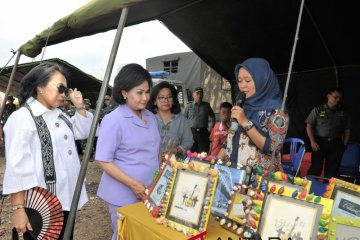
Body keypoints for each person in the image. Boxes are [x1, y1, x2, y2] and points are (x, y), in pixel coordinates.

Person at [2, 62, 92, 239]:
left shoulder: (61, 115)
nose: (63, 94)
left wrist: (79, 105)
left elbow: (84, 131)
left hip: (65, 199)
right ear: (40, 87)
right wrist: (18, 209)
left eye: (65, 90)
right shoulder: (23, 118)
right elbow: (17, 168)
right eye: (60, 88)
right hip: (41, 206)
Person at [95, 63, 161, 240]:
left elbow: (154, 151)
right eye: (140, 92)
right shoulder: (114, 120)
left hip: (149, 192)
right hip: (124, 194)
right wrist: (133, 184)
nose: (145, 97)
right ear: (124, 92)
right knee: (125, 235)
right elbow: (103, 159)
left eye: (148, 92)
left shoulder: (150, 117)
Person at [218, 57, 289, 171]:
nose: (242, 86)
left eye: (248, 80)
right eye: (240, 81)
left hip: (258, 179)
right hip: (232, 173)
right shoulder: (241, 105)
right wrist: (215, 163)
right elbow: (230, 139)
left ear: (261, 79)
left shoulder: (277, 111)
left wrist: (245, 122)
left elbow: (274, 147)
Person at [305, 86, 351, 178]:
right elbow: (309, 126)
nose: (338, 100)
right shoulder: (317, 110)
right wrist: (312, 141)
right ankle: (310, 187)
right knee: (316, 167)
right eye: (335, 97)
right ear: (328, 96)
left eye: (340, 98)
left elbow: (347, 130)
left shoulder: (342, 113)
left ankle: (328, 190)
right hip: (319, 142)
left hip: (336, 143)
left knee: (332, 169)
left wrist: (344, 144)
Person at [147, 81, 193, 159]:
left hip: (174, 165)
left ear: (173, 100)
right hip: (151, 164)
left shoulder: (182, 120)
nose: (166, 100)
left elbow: (188, 141)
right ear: (154, 101)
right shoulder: (148, 119)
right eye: (161, 97)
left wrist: (176, 150)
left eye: (169, 97)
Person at [184, 87, 216, 153]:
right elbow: (184, 119)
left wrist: (212, 128)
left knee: (203, 153)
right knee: (191, 152)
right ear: (193, 95)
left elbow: (213, 116)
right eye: (197, 93)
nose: (199, 95)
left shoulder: (206, 105)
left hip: (203, 132)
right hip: (191, 133)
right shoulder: (189, 106)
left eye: (201, 93)